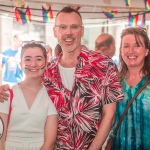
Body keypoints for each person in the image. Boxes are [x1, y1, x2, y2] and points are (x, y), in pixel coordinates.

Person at [0, 7, 123, 149]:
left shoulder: (103, 64)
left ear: (82, 31)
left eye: (74, 27)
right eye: (63, 27)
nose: (68, 33)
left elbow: (110, 114)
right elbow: (28, 88)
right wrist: (3, 91)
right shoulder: (48, 71)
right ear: (55, 32)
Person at [0, 41, 58, 150]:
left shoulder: (51, 96)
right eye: (27, 59)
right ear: (20, 64)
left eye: (39, 59)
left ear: (46, 64)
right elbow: (0, 140)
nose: (33, 64)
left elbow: (50, 142)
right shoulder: (6, 94)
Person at [111, 27, 150, 149]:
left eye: (137, 45)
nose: (131, 51)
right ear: (121, 51)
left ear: (146, 51)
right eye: (126, 46)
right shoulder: (113, 83)